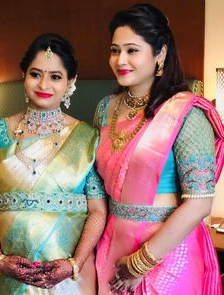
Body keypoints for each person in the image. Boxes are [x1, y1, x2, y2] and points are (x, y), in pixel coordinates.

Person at [94, 3, 224, 294]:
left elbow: (200, 202)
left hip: (165, 252)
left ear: (160, 53)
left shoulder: (187, 113)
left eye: (132, 50)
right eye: (115, 50)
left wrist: (140, 263)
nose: (120, 60)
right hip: (111, 247)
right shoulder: (104, 109)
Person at [0, 33, 107, 294]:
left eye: (55, 76)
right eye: (35, 73)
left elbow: (97, 211)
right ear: (23, 75)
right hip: (8, 275)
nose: (44, 84)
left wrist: (74, 264)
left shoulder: (88, 138)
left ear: (70, 82)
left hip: (70, 278)